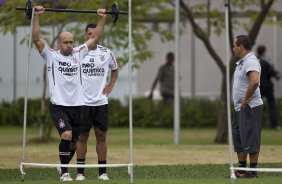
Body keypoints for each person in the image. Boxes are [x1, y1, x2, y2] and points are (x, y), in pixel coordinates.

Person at [32, 6, 106, 181]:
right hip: (59, 105)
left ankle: (61, 165)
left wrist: (101, 18)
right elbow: (36, 38)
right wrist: (36, 16)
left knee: (74, 142)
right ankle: (65, 172)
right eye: (66, 42)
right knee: (66, 135)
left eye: (72, 42)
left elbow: (95, 37)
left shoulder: (79, 53)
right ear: (59, 43)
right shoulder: (51, 55)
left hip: (78, 106)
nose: (70, 45)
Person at [75, 24, 119, 181]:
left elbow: (115, 69)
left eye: (94, 34)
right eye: (88, 34)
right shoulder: (78, 52)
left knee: (101, 136)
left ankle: (102, 172)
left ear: (98, 35)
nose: (91, 36)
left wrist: (111, 84)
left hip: (101, 103)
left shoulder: (106, 53)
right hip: (82, 103)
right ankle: (80, 172)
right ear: (84, 35)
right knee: (82, 137)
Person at [232, 35, 263, 178]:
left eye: (234, 46)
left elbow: (255, 81)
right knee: (240, 139)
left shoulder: (251, 61)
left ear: (241, 47)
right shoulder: (241, 62)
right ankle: (242, 171)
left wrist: (245, 100)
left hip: (249, 107)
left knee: (250, 138)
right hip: (240, 108)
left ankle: (253, 172)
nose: (233, 48)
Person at [256, 45, 281, 129]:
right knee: (272, 106)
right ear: (264, 52)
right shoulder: (266, 61)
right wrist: (277, 75)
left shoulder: (254, 61)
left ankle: (256, 124)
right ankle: (273, 125)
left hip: (257, 86)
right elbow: (272, 72)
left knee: (256, 106)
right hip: (267, 87)